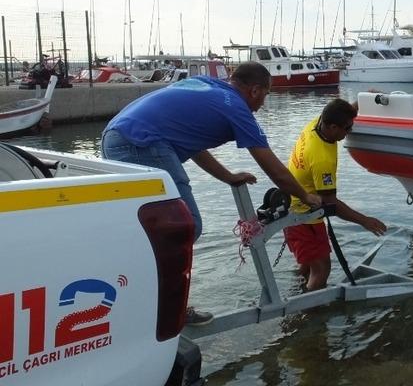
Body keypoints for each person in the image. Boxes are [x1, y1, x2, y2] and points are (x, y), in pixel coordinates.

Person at [101, 61, 321, 325]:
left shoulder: (209, 88)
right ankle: (169, 308)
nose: (263, 102)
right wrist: (307, 196)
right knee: (185, 226)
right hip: (141, 143)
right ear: (254, 90)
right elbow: (276, 172)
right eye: (266, 94)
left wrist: (227, 177)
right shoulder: (238, 109)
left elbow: (189, 141)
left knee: (150, 230)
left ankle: (134, 295)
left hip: (115, 137)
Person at [284, 98, 386, 292]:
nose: (350, 132)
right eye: (347, 128)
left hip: (292, 209)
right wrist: (364, 220)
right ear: (332, 127)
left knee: (309, 262)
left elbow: (339, 112)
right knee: (322, 268)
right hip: (305, 217)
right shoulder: (322, 159)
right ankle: (311, 315)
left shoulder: (316, 123)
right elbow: (330, 203)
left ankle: (300, 291)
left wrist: (360, 101)